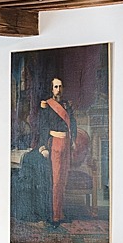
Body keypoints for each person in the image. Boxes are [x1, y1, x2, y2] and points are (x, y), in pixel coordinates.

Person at [39, 77, 76, 222]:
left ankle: (61, 212)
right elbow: (43, 126)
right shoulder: (47, 105)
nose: (58, 89)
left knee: (64, 179)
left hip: (66, 143)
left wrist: (72, 141)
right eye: (55, 87)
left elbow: (72, 123)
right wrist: (43, 146)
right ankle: (55, 215)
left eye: (60, 86)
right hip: (54, 143)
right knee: (56, 180)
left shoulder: (67, 105)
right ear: (51, 89)